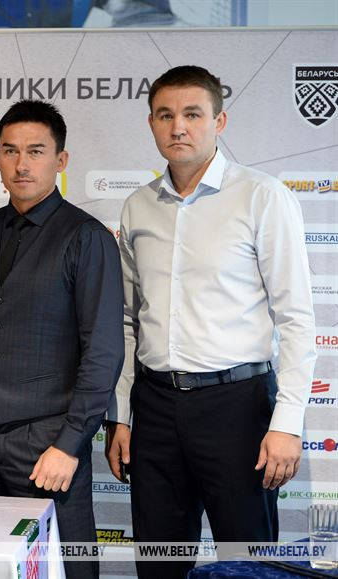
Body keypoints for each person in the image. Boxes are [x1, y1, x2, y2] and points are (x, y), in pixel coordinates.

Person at [104, 65, 317, 578]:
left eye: (193, 114)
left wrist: (286, 424)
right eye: (165, 115)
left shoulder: (262, 195)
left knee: (247, 567)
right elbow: (129, 322)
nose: (178, 127)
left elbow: (295, 319)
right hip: (155, 408)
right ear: (151, 124)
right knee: (158, 564)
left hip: (238, 409)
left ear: (219, 122)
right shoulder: (138, 207)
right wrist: (121, 416)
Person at [0, 100, 124, 579]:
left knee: (65, 568)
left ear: (61, 160)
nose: (22, 164)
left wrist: (70, 444)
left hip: (48, 446)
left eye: (36, 151)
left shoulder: (87, 237)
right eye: (10, 150)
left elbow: (103, 352)